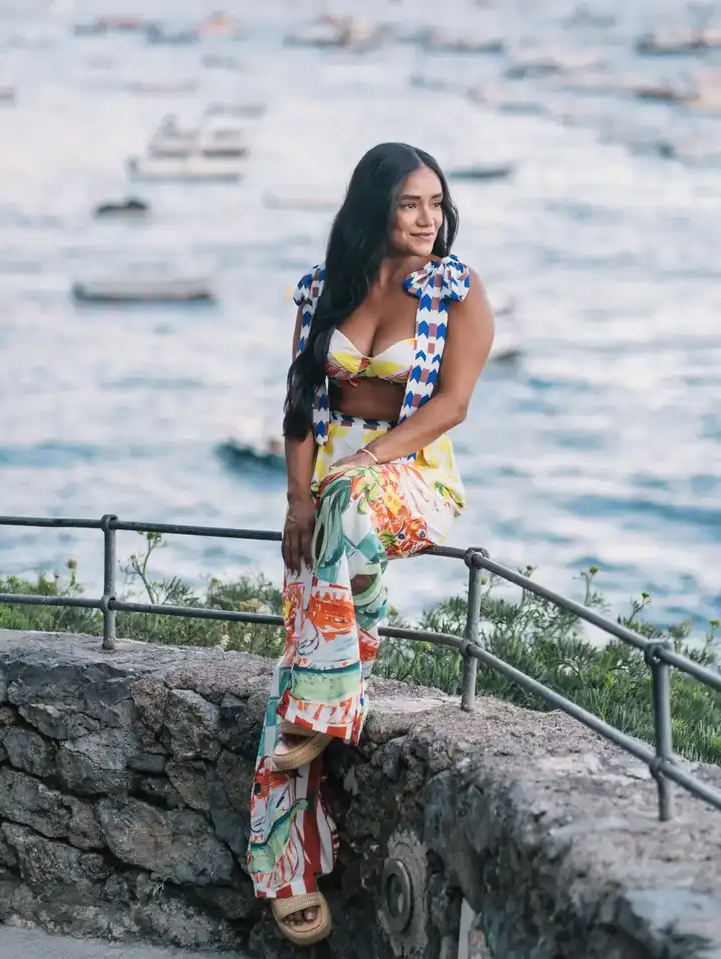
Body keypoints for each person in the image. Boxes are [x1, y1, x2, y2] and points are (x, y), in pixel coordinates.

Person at [247, 141, 495, 946]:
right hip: (325, 503)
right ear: (373, 210)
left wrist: (364, 458)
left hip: (409, 474)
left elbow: (452, 403)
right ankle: (288, 866)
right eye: (409, 205)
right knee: (296, 665)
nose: (428, 220)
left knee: (347, 505)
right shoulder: (323, 289)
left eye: (437, 205)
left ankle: (331, 690)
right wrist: (295, 498)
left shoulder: (455, 291)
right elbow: (298, 399)